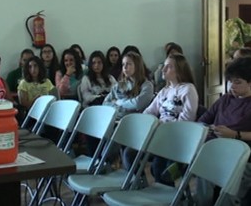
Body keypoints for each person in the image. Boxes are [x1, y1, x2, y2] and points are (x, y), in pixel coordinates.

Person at [134, 53, 198, 186]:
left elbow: (186, 120)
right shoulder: (164, 91)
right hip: (161, 134)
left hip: (177, 136)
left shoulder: (188, 89)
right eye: (164, 66)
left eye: (168, 67)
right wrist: (141, 123)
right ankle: (139, 184)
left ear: (179, 70)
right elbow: (150, 111)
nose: (163, 69)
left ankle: (167, 194)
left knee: (159, 166)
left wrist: (162, 129)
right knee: (130, 152)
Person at [197, 57, 251, 206]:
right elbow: (203, 120)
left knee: (229, 189)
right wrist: (207, 128)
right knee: (203, 166)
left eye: (237, 82)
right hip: (215, 149)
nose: (232, 86)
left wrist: (235, 134)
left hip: (242, 155)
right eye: (230, 81)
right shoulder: (225, 99)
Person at [103, 51, 154, 120]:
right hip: (116, 119)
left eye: (129, 64)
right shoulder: (119, 85)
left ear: (137, 66)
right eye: (123, 64)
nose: (125, 67)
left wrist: (119, 102)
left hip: (134, 121)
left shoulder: (147, 85)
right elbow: (105, 103)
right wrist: (122, 107)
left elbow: (138, 103)